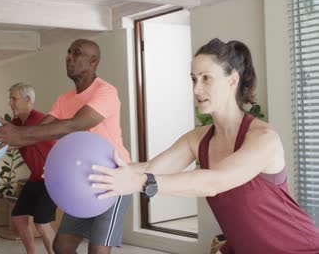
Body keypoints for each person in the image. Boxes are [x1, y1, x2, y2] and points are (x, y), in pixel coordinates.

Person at [89, 38, 319, 253]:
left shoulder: (263, 138)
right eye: (193, 79)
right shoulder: (197, 139)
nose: (197, 89)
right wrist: (105, 173)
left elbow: (213, 182)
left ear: (233, 80)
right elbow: (151, 168)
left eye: (206, 78)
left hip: (299, 248)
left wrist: (139, 182)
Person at [0, 39, 132, 254]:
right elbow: (41, 132)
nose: (69, 57)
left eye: (76, 53)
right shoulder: (64, 99)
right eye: (68, 52)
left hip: (115, 178)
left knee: (98, 250)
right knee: (61, 246)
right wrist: (5, 139)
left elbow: (74, 124)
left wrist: (19, 134)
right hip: (83, 180)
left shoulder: (106, 91)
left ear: (93, 61)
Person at [8, 82, 57, 254]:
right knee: (18, 217)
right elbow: (6, 142)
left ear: (28, 99)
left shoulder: (38, 121)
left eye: (14, 99)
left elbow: (15, 141)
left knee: (42, 223)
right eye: (10, 99)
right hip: (36, 177)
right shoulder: (16, 123)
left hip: (53, 177)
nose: (10, 103)